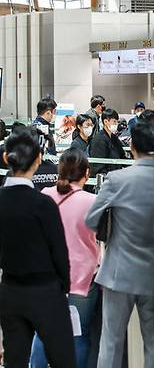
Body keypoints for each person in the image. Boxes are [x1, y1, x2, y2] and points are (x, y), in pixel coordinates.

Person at [85, 121, 154, 368]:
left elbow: (91, 219)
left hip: (119, 271)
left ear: (132, 147)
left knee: (111, 342)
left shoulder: (117, 179)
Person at [0, 126, 76, 367]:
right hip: (46, 290)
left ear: (6, 158)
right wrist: (63, 286)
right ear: (38, 159)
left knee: (15, 359)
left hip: (10, 289)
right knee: (62, 358)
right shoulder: (43, 204)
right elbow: (59, 251)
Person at [30, 149, 101, 368]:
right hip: (82, 279)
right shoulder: (93, 201)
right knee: (79, 336)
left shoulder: (43, 196)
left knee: (43, 333)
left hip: (47, 278)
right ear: (86, 173)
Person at [89, 108, 126, 177]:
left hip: (116, 175)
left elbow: (122, 156)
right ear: (106, 122)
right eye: (114, 121)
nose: (116, 124)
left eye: (117, 122)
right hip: (106, 178)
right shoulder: (99, 140)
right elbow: (98, 166)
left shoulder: (114, 138)